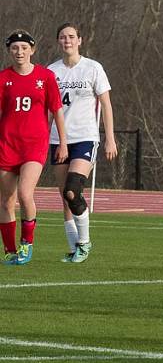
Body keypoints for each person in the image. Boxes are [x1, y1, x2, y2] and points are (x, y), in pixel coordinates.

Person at [48, 23, 117, 263]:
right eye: (62, 37)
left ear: (80, 40)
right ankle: (73, 247)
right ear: (58, 41)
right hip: (58, 139)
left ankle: (85, 243)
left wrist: (110, 138)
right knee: (64, 196)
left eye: (71, 37)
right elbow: (46, 110)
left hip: (85, 137)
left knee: (72, 189)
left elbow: (106, 104)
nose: (67, 41)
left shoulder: (92, 68)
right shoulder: (51, 71)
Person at [0, 30, 68, 265]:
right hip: (7, 145)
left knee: (24, 194)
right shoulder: (3, 78)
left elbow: (57, 110)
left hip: (34, 145)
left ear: (32, 49)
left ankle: (26, 243)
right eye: (15, 48)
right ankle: (9, 250)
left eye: (24, 48)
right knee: (6, 200)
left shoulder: (45, 76)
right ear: (10, 51)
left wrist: (63, 142)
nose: (19, 52)